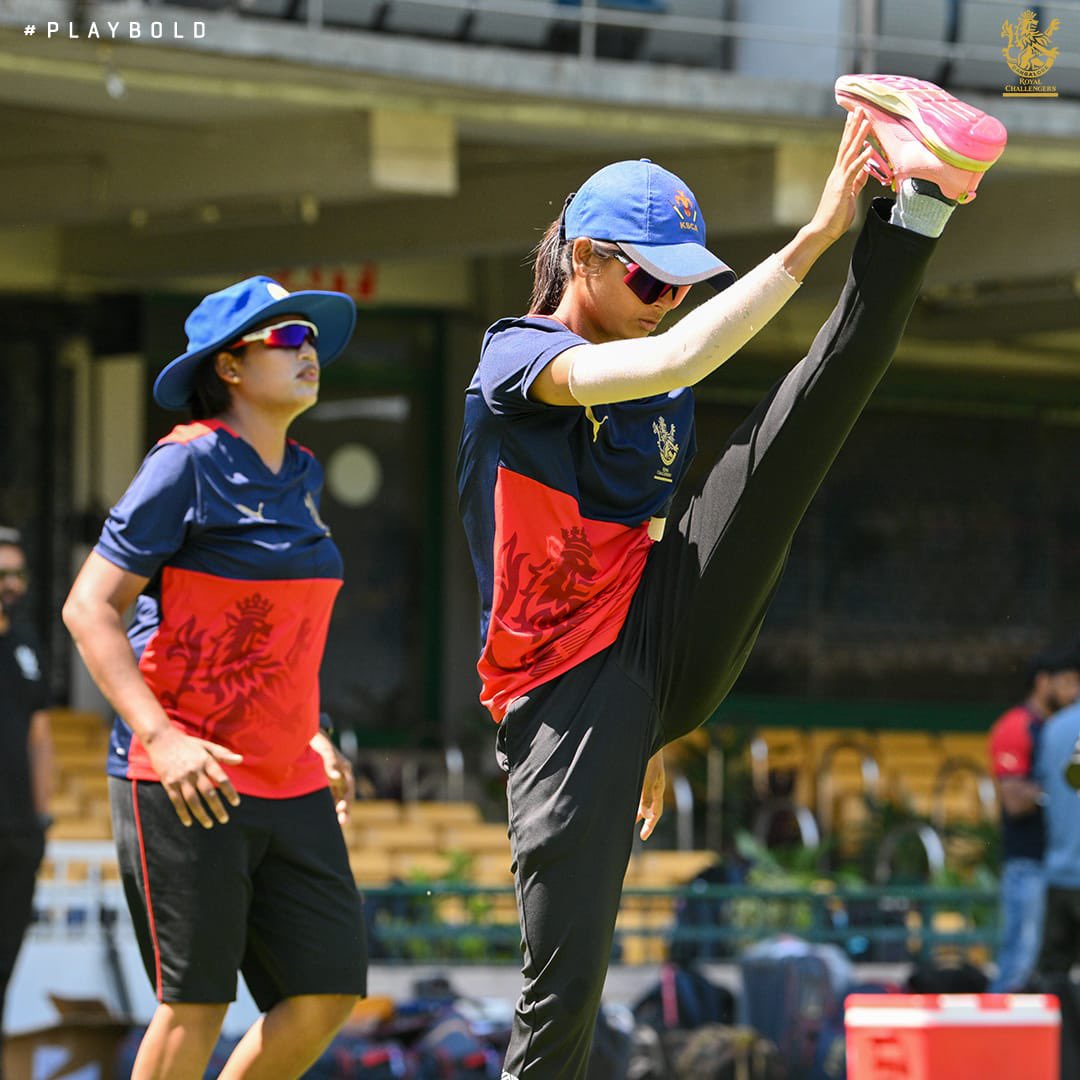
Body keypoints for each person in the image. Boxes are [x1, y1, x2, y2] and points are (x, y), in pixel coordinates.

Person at [456, 73, 1007, 1078]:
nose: (671, 299)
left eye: (683, 284)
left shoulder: (663, 387)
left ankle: (919, 204)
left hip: (647, 643)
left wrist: (653, 721)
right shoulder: (517, 357)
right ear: (583, 259)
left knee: (800, 432)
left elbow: (654, 528)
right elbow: (665, 364)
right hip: (558, 700)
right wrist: (808, 237)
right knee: (566, 982)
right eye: (652, 282)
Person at [62, 277, 367, 1080]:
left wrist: (313, 731)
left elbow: (281, 630)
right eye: (285, 340)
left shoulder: (304, 473)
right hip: (185, 776)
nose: (308, 354)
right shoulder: (184, 464)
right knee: (194, 1005)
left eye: (311, 339)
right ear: (228, 368)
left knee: (327, 988)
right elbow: (89, 608)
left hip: (289, 774)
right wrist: (162, 740)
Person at [987, 644, 1080, 993]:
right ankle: (997, 1039)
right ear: (1044, 682)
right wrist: (1056, 790)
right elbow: (1013, 800)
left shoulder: (1053, 728)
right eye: (1069, 682)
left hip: (1049, 864)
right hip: (1027, 865)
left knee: (1041, 973)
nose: (1075, 691)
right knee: (1019, 965)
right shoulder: (1017, 726)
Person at [0, 527, 53, 1075]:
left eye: (18, 574)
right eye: (1, 576)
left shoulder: (28, 645)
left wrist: (41, 821)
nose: (11, 585)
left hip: (18, 835)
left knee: (3, 969)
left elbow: (41, 738)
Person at [1031, 693, 1080, 1079]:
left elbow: (1045, 791)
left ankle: (1058, 1068)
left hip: (1061, 874)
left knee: (1053, 984)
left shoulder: (1055, 727)